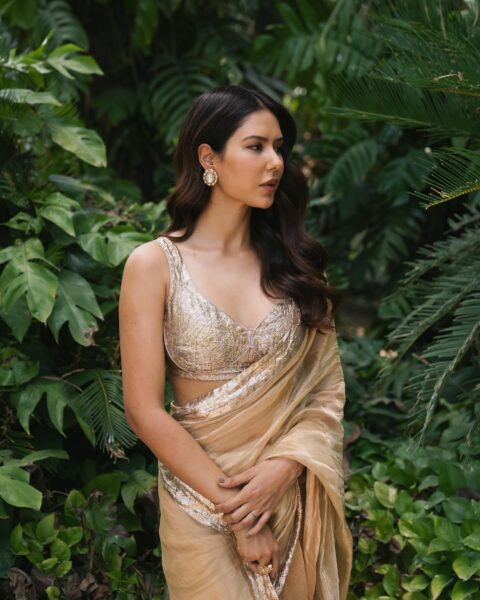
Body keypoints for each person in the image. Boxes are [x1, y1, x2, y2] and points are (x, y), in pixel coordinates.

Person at [119, 84, 353, 600]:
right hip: (201, 505)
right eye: (256, 146)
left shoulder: (296, 269)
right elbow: (143, 410)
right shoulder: (154, 266)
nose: (275, 162)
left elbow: (324, 393)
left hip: (289, 499)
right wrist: (242, 516)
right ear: (209, 158)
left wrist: (282, 470)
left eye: (279, 148)